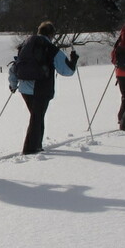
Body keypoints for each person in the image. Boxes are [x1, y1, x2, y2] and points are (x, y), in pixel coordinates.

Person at [8, 21, 78, 155]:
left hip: (24, 87)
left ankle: (37, 145)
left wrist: (13, 84)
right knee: (37, 118)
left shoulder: (25, 45)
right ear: (51, 34)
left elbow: (14, 67)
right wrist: (73, 61)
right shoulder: (50, 48)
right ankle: (30, 149)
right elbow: (67, 71)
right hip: (41, 88)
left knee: (37, 117)